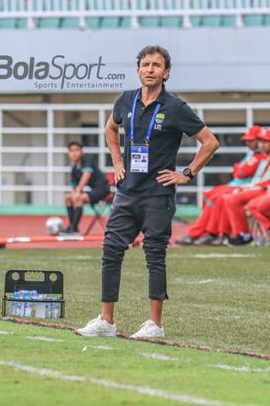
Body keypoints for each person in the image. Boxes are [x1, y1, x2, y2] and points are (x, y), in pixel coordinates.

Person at [75, 45, 219, 339]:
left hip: (158, 194)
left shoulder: (175, 107)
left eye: (156, 65)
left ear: (166, 73)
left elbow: (210, 142)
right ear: (138, 69)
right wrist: (117, 161)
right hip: (127, 192)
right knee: (111, 251)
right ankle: (106, 321)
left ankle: (155, 325)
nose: (150, 69)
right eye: (145, 64)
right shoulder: (125, 100)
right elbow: (110, 129)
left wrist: (187, 173)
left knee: (155, 254)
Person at [175, 125, 262, 246]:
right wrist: (239, 168)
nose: (248, 143)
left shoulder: (260, 156)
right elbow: (237, 170)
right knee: (208, 195)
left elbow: (240, 172)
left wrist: (239, 168)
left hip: (244, 187)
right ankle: (206, 231)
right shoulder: (253, 155)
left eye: (251, 140)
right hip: (238, 185)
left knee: (219, 199)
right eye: (247, 140)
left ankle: (209, 233)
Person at [63, 141, 111, 235]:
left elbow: (86, 175)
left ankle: (74, 229)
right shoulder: (74, 168)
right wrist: (73, 193)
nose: (74, 153)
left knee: (79, 198)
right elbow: (73, 185)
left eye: (76, 150)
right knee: (68, 198)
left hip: (103, 189)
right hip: (93, 190)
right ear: (68, 154)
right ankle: (72, 226)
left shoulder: (87, 160)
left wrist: (78, 192)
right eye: (71, 151)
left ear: (81, 152)